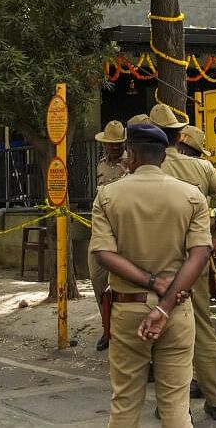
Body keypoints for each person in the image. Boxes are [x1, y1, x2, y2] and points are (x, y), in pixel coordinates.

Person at [89, 123, 212, 427]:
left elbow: (103, 254)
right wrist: (164, 304)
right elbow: (200, 253)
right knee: (176, 409)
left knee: (125, 406)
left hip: (127, 308)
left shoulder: (107, 196)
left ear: (130, 154)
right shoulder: (191, 196)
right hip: (177, 310)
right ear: (163, 157)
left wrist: (151, 283)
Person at [149, 103, 216, 421]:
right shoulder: (202, 169)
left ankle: (171, 404)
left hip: (160, 262)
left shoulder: (149, 169)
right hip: (197, 260)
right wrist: (214, 243)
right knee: (201, 326)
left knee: (163, 330)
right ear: (179, 136)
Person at [92, 120, 128, 351]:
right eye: (110, 144)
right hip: (102, 229)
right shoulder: (101, 166)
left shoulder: (131, 163)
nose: (113, 148)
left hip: (125, 230)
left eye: (118, 144)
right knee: (97, 278)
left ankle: (123, 331)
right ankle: (108, 328)